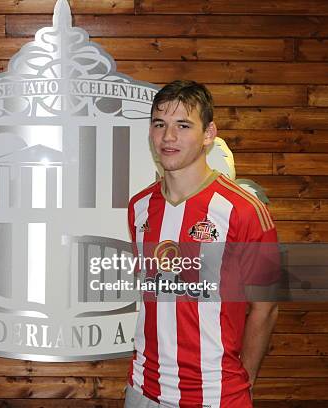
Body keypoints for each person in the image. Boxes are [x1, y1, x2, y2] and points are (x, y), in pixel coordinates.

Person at [125, 80, 279, 407]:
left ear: (208, 134)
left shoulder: (244, 210)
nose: (168, 137)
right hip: (142, 389)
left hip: (216, 395)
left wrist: (243, 381)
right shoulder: (139, 207)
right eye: (160, 124)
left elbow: (265, 309)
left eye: (183, 125)